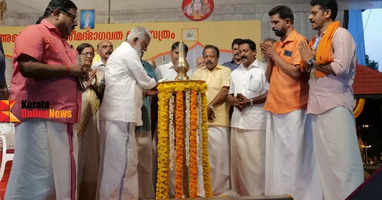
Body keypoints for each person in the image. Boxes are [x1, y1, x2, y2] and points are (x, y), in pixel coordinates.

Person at [5, 0, 86, 199]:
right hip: (38, 114)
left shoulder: (62, 41)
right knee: (37, 175)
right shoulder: (35, 32)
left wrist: (77, 76)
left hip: (57, 115)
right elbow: (28, 67)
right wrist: (70, 70)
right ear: (57, 13)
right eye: (72, 17)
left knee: (53, 178)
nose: (75, 24)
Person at [298, 0, 364, 199]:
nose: (310, 17)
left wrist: (311, 60)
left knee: (343, 162)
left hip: (336, 105)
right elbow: (313, 67)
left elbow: (340, 68)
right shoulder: (318, 39)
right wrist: (309, 62)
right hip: (317, 106)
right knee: (326, 165)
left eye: (314, 12)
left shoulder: (340, 34)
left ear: (327, 13)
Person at [261, 5, 321, 200]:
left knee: (294, 156)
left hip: (294, 106)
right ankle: (279, 194)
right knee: (277, 158)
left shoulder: (300, 41)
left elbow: (296, 73)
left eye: (276, 22)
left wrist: (275, 56)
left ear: (288, 22)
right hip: (274, 105)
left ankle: (299, 195)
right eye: (272, 23)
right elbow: (269, 78)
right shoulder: (277, 46)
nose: (273, 26)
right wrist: (270, 57)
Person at [98, 26, 157, 200]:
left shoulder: (124, 52)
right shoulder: (128, 52)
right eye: (144, 45)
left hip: (120, 116)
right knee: (123, 165)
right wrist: (158, 84)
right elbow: (145, 81)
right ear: (136, 40)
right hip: (120, 115)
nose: (145, 49)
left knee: (121, 163)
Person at [227, 39, 268, 196]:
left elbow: (269, 93)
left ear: (253, 52)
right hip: (237, 122)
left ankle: (257, 195)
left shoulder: (263, 70)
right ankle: (240, 195)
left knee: (255, 163)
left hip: (256, 123)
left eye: (246, 51)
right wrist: (235, 101)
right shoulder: (235, 72)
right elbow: (229, 95)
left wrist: (249, 101)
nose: (242, 54)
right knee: (239, 163)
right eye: (240, 51)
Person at [192, 45, 231, 196]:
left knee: (220, 160)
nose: (209, 59)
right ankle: (202, 192)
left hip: (219, 121)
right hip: (200, 123)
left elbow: (224, 91)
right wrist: (203, 109)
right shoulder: (197, 73)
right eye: (206, 56)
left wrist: (210, 106)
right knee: (202, 160)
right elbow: (193, 93)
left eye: (212, 56)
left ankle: (220, 193)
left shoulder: (225, 71)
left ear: (217, 58)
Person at [125, 53, 158, 200]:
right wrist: (140, 90)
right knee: (127, 167)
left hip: (144, 122)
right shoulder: (122, 65)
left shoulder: (147, 66)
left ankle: (146, 196)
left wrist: (142, 91)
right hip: (125, 123)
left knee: (145, 166)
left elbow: (154, 88)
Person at [75, 43, 105, 200]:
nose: (89, 56)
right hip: (77, 121)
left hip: (94, 120)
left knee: (92, 158)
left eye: (91, 54)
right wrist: (87, 84)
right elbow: (71, 93)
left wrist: (96, 85)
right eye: (85, 53)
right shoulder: (73, 72)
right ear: (78, 55)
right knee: (77, 156)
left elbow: (102, 96)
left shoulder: (97, 74)